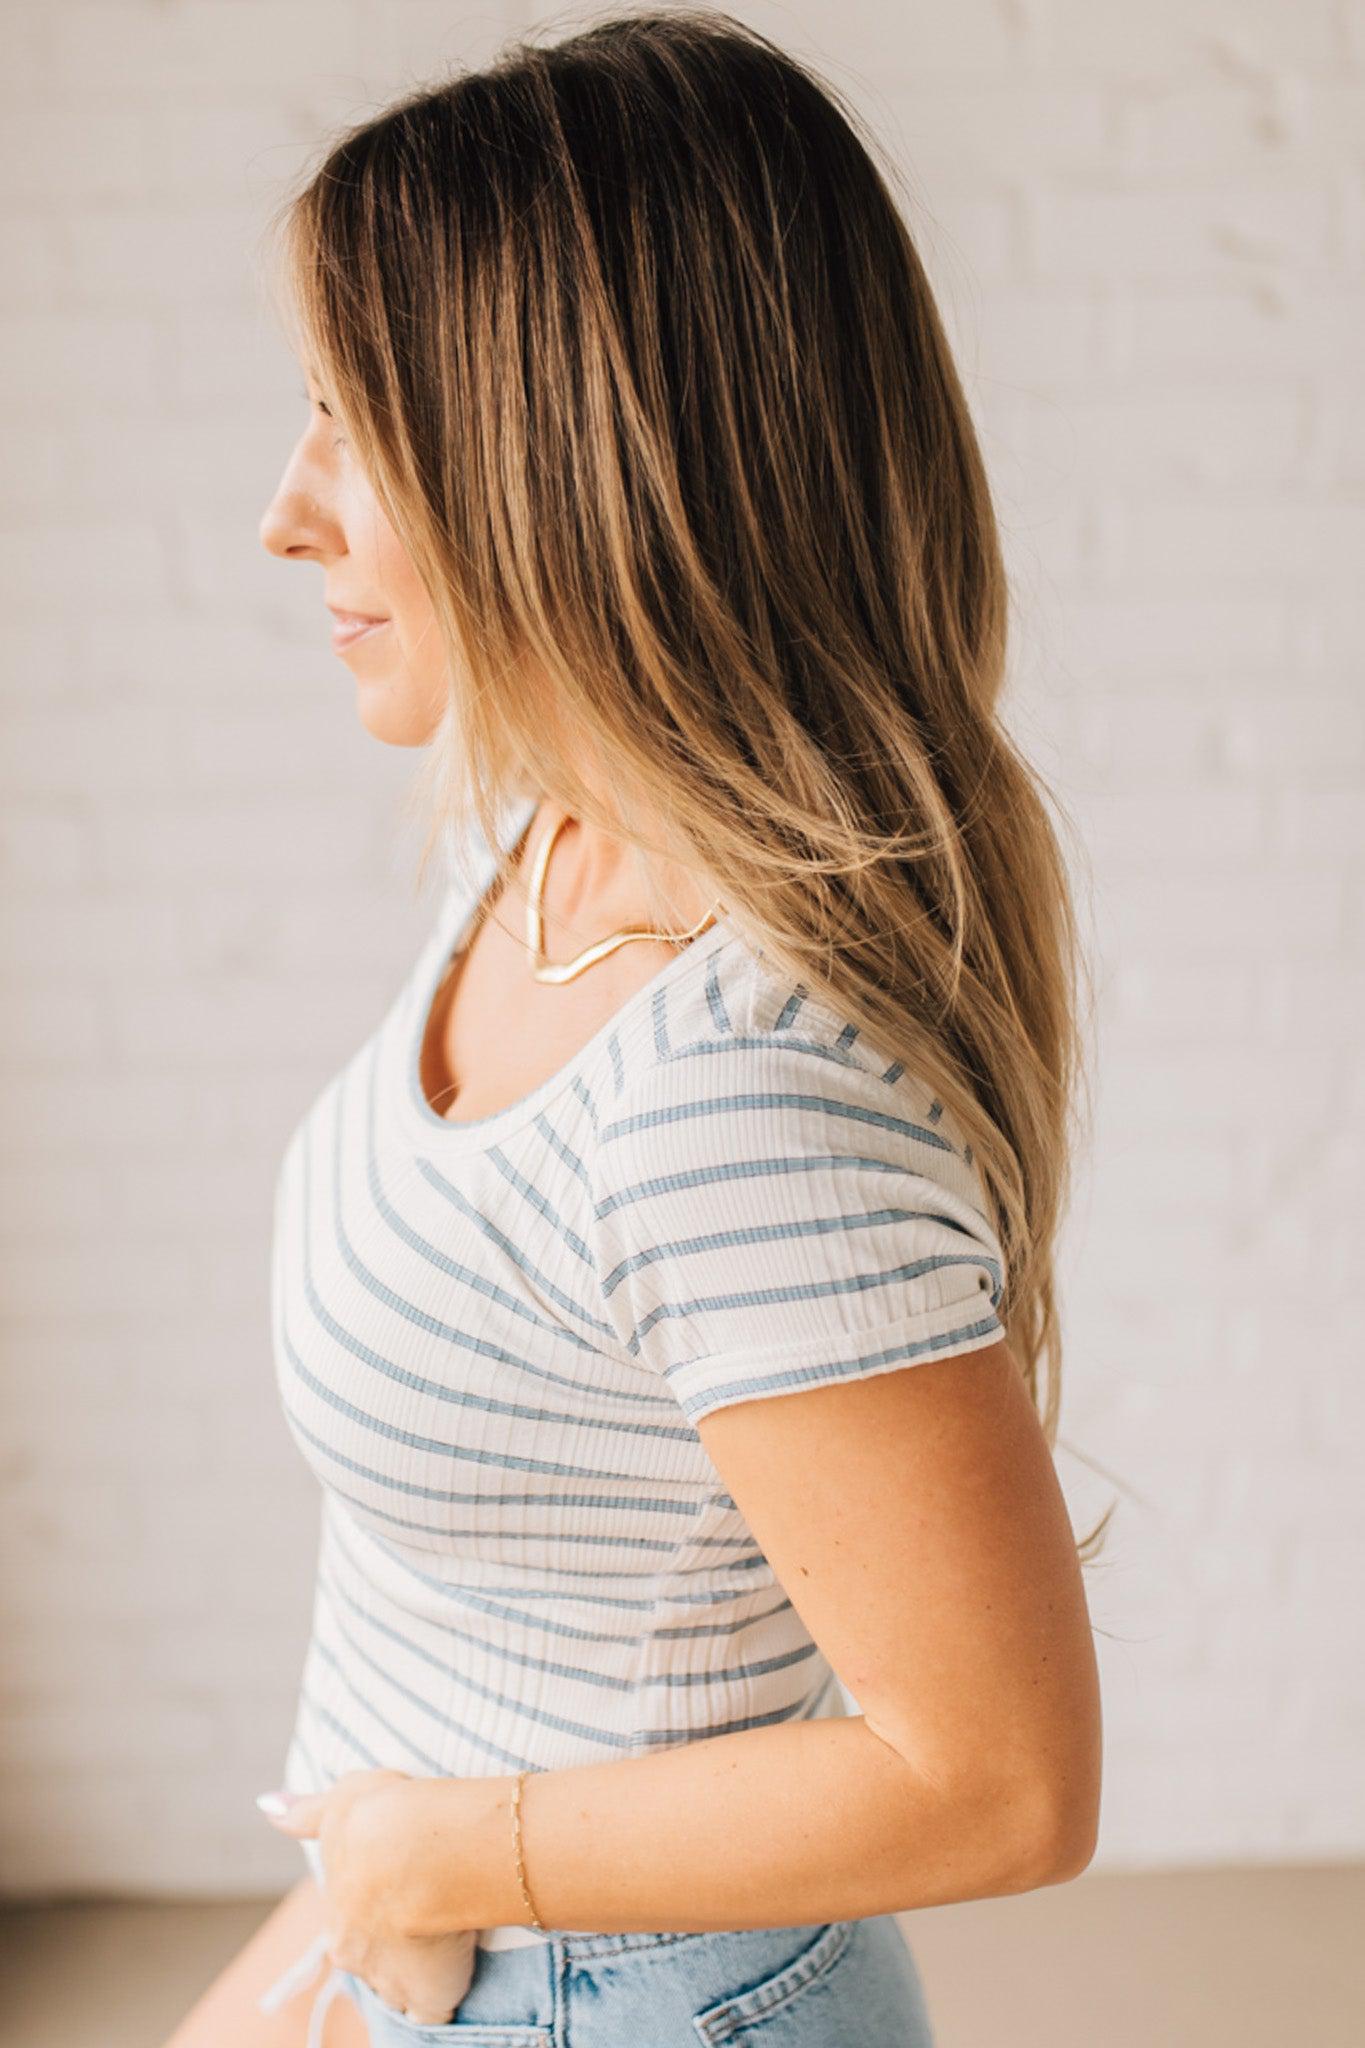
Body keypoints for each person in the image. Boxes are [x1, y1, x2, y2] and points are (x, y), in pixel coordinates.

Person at [167, 10, 1105, 2045]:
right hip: (429, 1943)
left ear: (560, 470)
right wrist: (329, 1930)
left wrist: (426, 1863)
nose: (285, 511)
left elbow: (999, 1775)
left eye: (348, 420)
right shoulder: (535, 833)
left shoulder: (747, 1087)